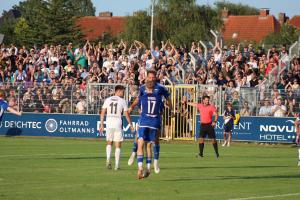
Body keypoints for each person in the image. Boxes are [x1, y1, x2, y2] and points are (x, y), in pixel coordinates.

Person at [128, 70, 173, 179]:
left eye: (153, 77)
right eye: (150, 77)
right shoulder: (144, 89)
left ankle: (151, 163)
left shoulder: (160, 88)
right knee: (142, 141)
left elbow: (168, 99)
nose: (152, 79)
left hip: (151, 118)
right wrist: (135, 107)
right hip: (149, 118)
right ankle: (135, 155)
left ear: (155, 78)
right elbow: (140, 99)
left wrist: (132, 107)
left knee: (145, 142)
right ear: (147, 77)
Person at [99, 85, 134, 170]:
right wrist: (131, 124)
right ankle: (117, 165)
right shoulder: (122, 101)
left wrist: (101, 124)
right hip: (118, 123)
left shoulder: (107, 99)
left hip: (109, 122)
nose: (123, 93)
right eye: (122, 91)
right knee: (118, 145)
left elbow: (102, 112)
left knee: (109, 142)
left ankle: (108, 160)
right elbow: (126, 114)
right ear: (117, 91)